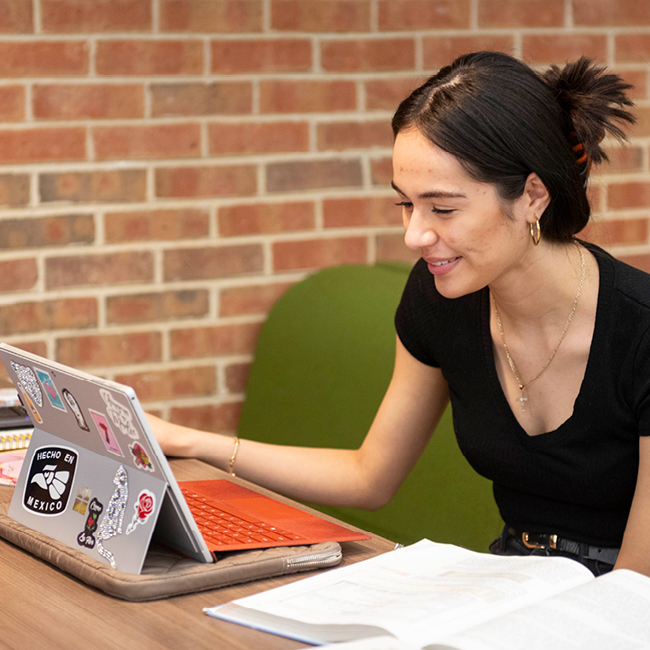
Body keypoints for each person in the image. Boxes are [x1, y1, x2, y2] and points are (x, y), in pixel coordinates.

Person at [148, 51, 650, 578]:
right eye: (405, 204)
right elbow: (369, 476)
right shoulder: (441, 298)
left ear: (532, 195)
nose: (414, 236)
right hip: (515, 579)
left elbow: (634, 587)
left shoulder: (639, 331)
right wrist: (187, 441)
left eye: (443, 208)